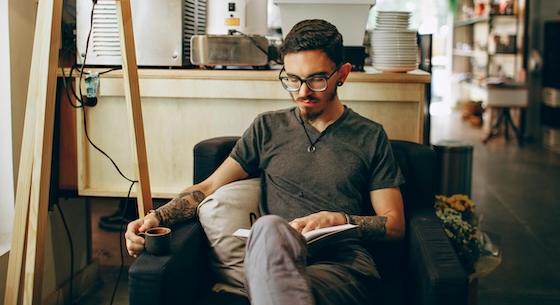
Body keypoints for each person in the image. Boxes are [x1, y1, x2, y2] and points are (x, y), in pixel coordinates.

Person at [125, 18, 405, 305]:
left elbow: (394, 225)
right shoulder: (267, 128)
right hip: (272, 259)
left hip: (341, 265)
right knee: (268, 228)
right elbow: (207, 188)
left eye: (317, 79)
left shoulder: (369, 136)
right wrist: (154, 218)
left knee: (287, 289)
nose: (303, 92)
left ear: (343, 73)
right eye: (293, 79)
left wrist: (340, 219)